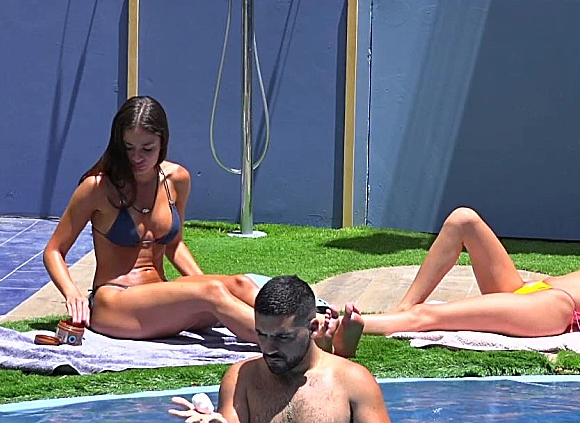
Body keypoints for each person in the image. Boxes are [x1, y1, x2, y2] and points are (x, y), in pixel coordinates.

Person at [342, 174, 580, 343]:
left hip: (554, 309)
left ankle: (351, 324)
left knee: (433, 317)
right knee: (463, 219)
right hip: (529, 291)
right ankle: (401, 309)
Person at [43, 96, 264, 342]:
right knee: (212, 293)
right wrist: (72, 293)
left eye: (147, 149)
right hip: (115, 302)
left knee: (241, 284)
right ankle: (287, 344)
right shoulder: (97, 188)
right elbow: (54, 251)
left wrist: (200, 281)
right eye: (128, 148)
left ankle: (294, 327)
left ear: (162, 143)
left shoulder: (177, 179)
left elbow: (174, 245)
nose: (136, 157)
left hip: (158, 297)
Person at [168, 276, 392, 423]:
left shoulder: (354, 382)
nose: (268, 348)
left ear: (313, 328)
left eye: (282, 337)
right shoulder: (241, 378)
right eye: (261, 334)